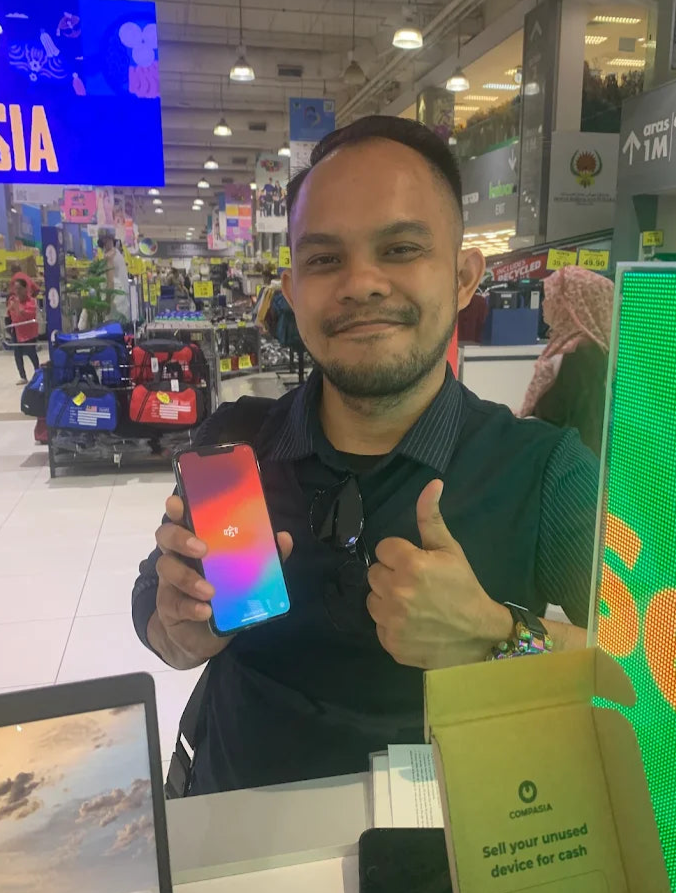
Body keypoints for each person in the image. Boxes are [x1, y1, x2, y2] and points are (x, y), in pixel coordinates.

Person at [132, 116, 599, 795]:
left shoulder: (544, 471)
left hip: (458, 842)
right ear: (293, 292)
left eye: (401, 248)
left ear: (464, 277)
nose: (361, 283)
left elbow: (667, 674)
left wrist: (496, 636)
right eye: (324, 259)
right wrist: (178, 631)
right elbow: (156, 609)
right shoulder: (237, 445)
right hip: (237, 829)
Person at [519, 266, 613, 456]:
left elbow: (582, 425)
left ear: (571, 305)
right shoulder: (574, 347)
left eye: (552, 297)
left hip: (562, 461)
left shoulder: (581, 355)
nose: (545, 303)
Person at [7, 273, 39, 384]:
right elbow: (10, 313)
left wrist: (18, 307)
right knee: (17, 354)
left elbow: (26, 314)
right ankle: (23, 376)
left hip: (28, 332)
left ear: (26, 289)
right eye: (16, 289)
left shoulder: (31, 302)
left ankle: (38, 372)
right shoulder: (13, 299)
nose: (17, 292)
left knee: (31, 353)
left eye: (20, 289)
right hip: (17, 330)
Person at [99, 231, 130, 324]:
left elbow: (110, 282)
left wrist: (107, 303)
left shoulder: (109, 257)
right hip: (121, 299)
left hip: (115, 300)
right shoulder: (117, 254)